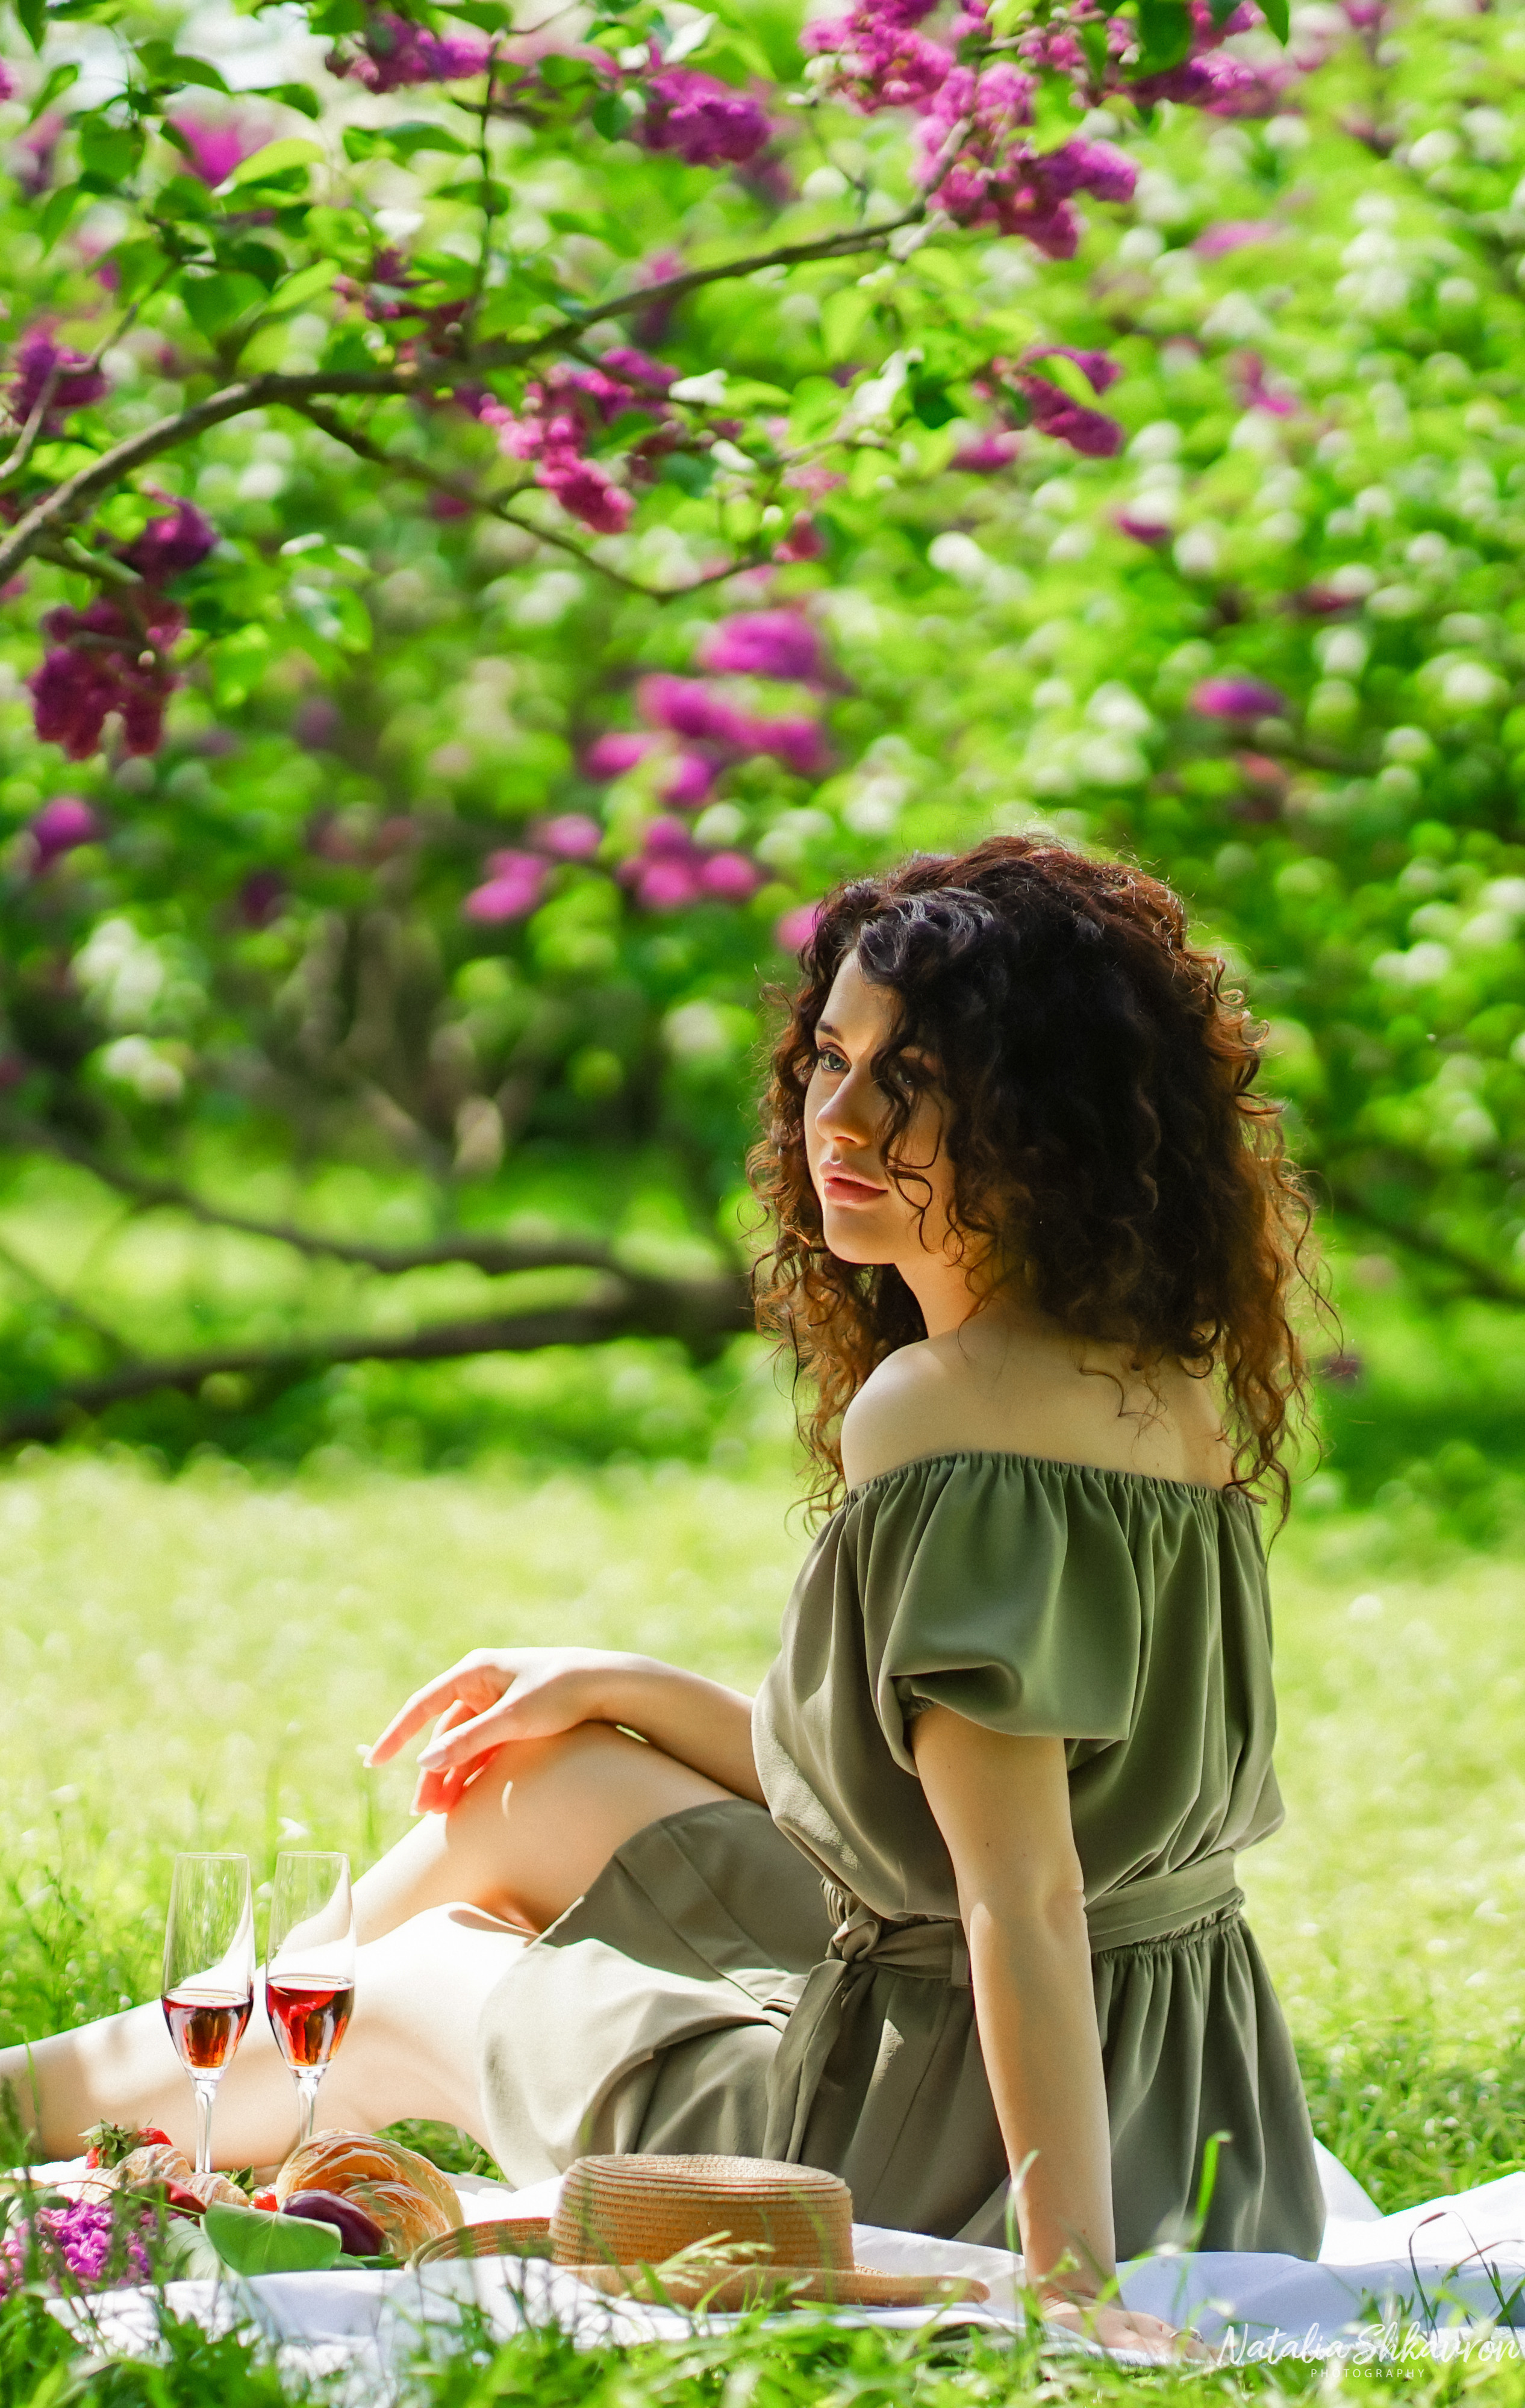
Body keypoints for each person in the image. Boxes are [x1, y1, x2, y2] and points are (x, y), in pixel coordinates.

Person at [2, 838, 1324, 2355]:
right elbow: (968, 1805)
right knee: (532, 1776)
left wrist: (1074, 2289)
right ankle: (187, 2061)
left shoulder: (940, 1407)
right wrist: (623, 1681)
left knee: (415, 1978)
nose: (839, 1116)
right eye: (831, 1058)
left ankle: (133, 2096)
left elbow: (1018, 1891)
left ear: (1043, 1117)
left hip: (930, 2146)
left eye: (913, 1078)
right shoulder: (1161, 1385)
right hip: (1196, 2101)